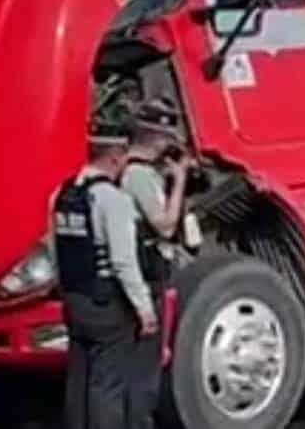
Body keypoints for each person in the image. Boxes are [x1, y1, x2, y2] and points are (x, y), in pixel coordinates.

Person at [53, 124, 159, 429]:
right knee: (108, 384)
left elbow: (56, 248)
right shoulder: (112, 200)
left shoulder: (64, 194)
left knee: (78, 380)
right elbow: (123, 261)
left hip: (75, 299)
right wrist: (144, 309)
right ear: (114, 156)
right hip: (107, 303)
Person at [119, 97, 193, 429]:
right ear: (157, 138)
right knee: (147, 359)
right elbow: (163, 224)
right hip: (150, 272)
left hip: (139, 271)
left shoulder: (130, 170)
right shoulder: (138, 175)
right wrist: (178, 181)